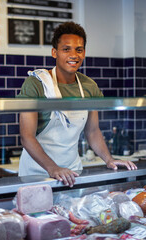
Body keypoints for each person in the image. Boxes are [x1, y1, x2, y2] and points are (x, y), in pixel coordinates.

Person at [17, 21, 137, 187]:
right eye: (66, 49)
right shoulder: (36, 84)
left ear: (84, 53)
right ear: (54, 52)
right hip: (37, 174)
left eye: (79, 49)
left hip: (72, 173)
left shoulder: (89, 86)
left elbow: (93, 131)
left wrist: (109, 160)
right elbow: (26, 137)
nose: (74, 55)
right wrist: (53, 169)